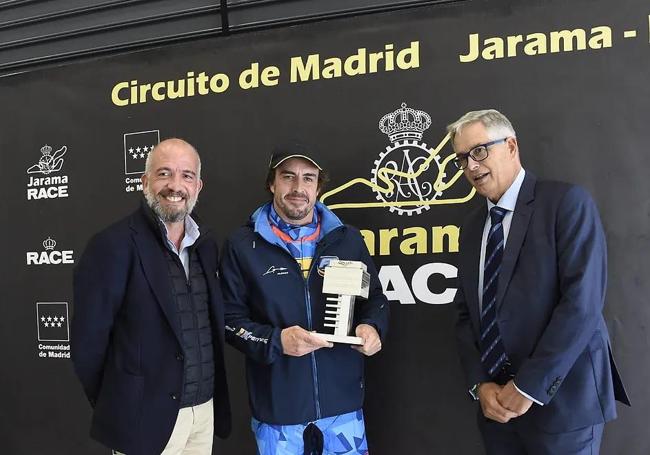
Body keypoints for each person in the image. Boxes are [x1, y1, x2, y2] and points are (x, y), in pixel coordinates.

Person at [450, 110, 630, 454]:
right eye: (462, 158)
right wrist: (480, 385)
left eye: (479, 151)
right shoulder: (472, 227)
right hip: (497, 412)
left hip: (563, 406)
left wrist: (529, 386)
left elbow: (582, 304)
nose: (471, 166)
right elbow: (465, 314)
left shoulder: (565, 202)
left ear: (511, 145)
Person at [219, 142, 389, 455]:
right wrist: (277, 340)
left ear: (319, 187)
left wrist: (372, 326)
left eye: (308, 178)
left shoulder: (347, 239)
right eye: (288, 177)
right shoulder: (242, 246)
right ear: (272, 183)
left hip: (343, 411)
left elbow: (375, 298)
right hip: (279, 414)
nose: (299, 188)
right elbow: (228, 321)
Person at [71, 138, 231, 455]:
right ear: (144, 182)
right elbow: (87, 344)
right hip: (143, 419)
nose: (175, 185)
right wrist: (123, 402)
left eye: (186, 175)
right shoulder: (112, 246)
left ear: (198, 186)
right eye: (164, 173)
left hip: (203, 414)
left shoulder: (207, 245)